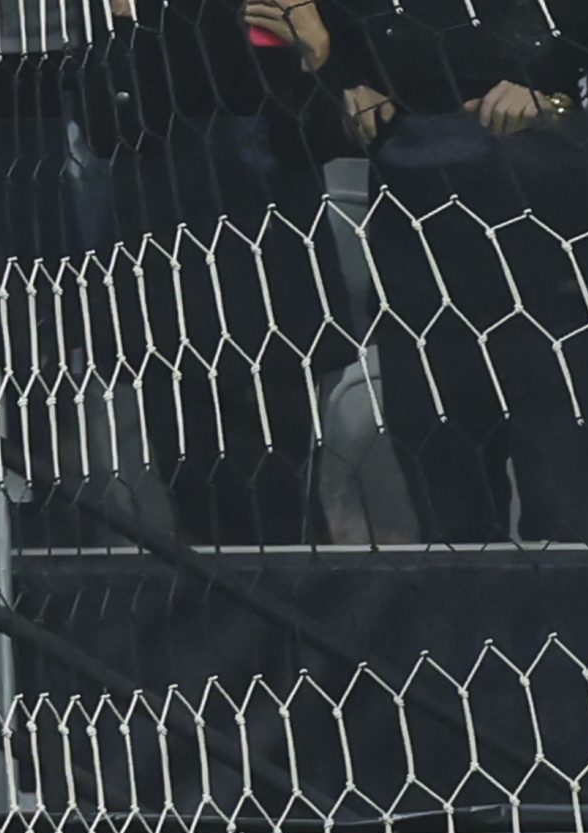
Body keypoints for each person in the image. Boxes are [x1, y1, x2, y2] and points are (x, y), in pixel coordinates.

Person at [260, 0, 588, 545]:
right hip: (421, 283)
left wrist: (553, 104)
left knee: (575, 520)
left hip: (551, 280)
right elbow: (296, 136)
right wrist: (329, 70)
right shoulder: (339, 18)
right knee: (453, 530)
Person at [82, 0, 361, 548]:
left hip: (272, 274)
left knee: (280, 498)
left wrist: (317, 50)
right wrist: (121, 23)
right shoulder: (130, 16)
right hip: (163, 274)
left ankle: (299, 629)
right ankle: (222, 628)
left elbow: (326, 135)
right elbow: (106, 130)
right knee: (193, 494)